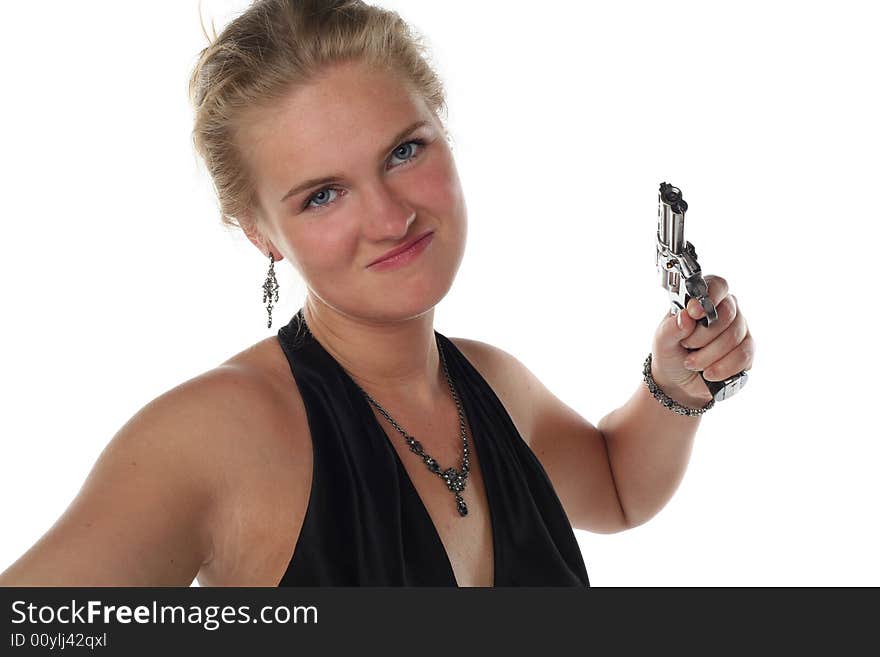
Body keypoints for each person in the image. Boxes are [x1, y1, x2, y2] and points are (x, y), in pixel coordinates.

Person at [0, 0, 754, 587]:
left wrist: (675, 386)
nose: (391, 218)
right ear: (261, 233)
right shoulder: (221, 434)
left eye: (404, 151)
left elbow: (618, 489)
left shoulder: (490, 382)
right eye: (323, 195)